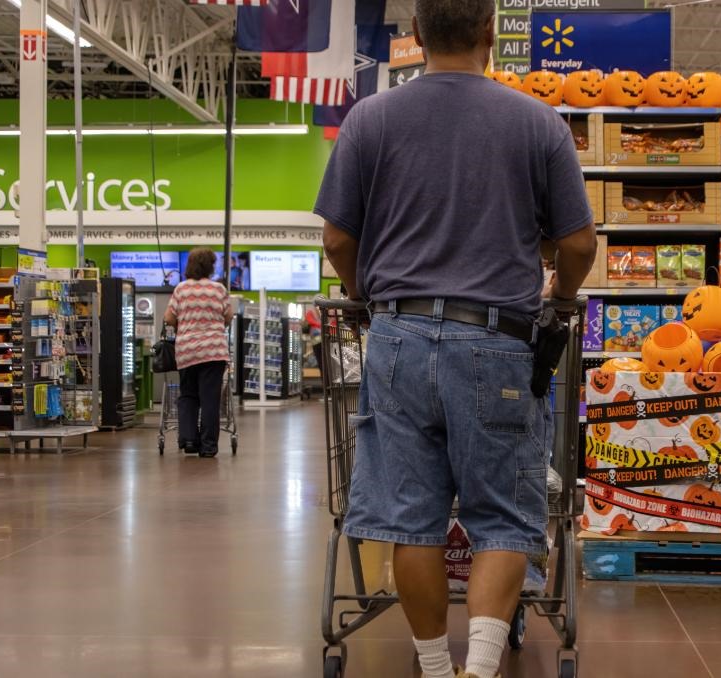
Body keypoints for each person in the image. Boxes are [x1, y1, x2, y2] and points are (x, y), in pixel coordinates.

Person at [315, 2, 597, 676]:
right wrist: (560, 300)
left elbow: (337, 238)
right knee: (502, 517)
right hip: (496, 342)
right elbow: (578, 244)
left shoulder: (369, 119)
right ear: (490, 32)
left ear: (415, 35)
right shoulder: (537, 122)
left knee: (409, 518)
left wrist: (363, 294)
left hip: (398, 339)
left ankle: (437, 668)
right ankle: (481, 668)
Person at [164, 247, 234, 458]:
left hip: (187, 351)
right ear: (210, 266)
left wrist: (184, 324)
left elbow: (169, 318)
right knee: (210, 399)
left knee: (188, 395)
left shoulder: (181, 289)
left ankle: (189, 440)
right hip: (214, 352)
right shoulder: (219, 289)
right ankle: (208, 446)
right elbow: (229, 316)